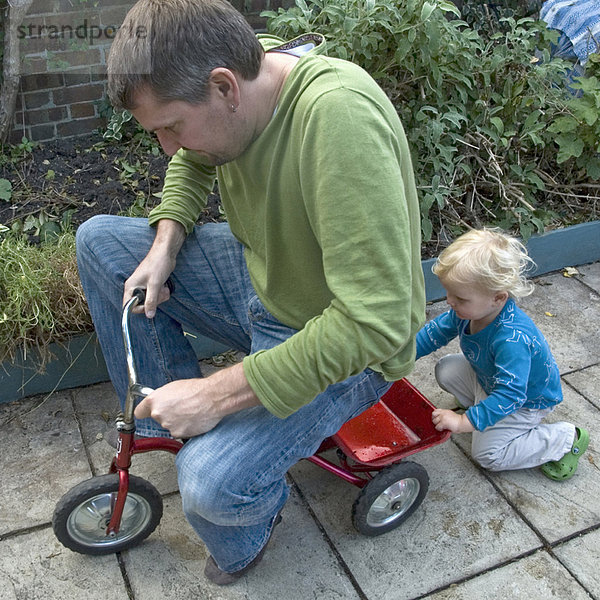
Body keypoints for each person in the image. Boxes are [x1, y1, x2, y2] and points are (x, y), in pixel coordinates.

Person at [76, 0, 425, 585]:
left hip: (347, 342)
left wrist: (217, 394)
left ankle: (246, 531)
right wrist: (166, 241)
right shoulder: (245, 84)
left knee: (209, 487)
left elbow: (377, 321)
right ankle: (170, 418)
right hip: (264, 278)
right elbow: (192, 161)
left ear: (223, 88)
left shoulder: (338, 120)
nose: (166, 147)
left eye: (170, 126)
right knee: (100, 243)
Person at [415, 228, 589, 479]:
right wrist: (403, 357)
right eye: (449, 293)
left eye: (460, 298)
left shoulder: (511, 340)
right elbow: (435, 333)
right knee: (446, 369)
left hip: (524, 402)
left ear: (498, 298)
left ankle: (563, 438)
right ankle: (482, 412)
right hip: (491, 380)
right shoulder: (469, 310)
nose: (450, 302)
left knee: (487, 455)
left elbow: (511, 395)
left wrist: (463, 424)